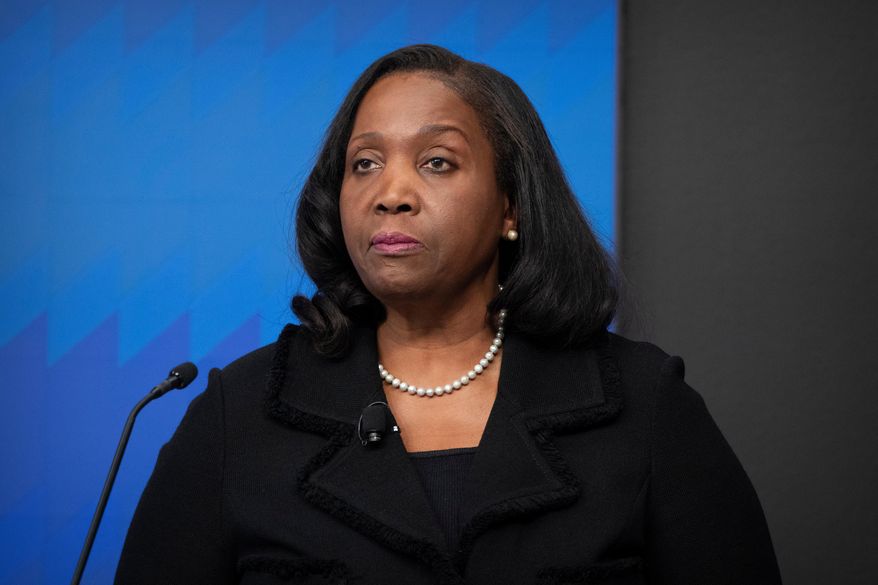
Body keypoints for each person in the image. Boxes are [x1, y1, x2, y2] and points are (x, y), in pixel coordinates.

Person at [115, 45, 782, 584]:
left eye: (436, 162)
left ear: (511, 207)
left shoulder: (645, 405)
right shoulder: (240, 413)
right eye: (364, 163)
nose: (391, 193)